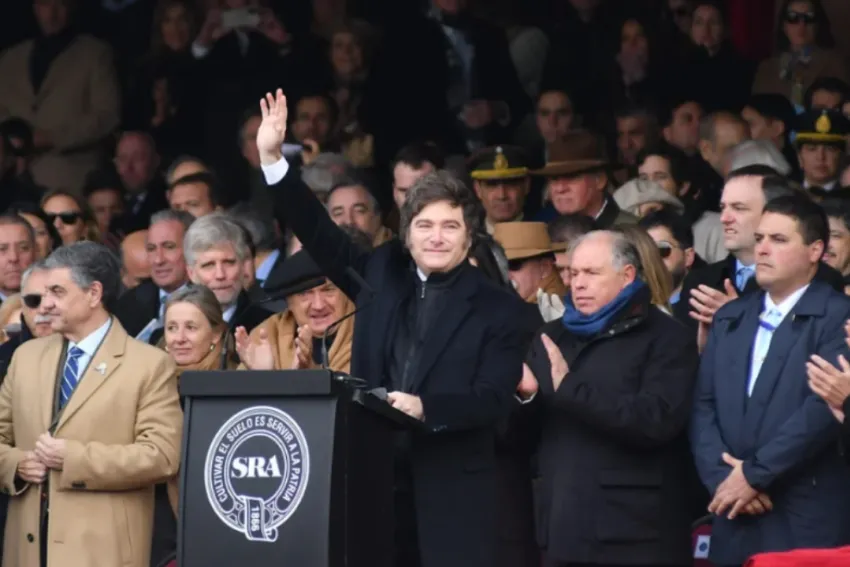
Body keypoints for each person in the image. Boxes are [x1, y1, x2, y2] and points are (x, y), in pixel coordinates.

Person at [256, 89, 534, 567]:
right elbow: (319, 233)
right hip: (377, 485)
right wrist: (273, 161)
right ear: (407, 233)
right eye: (425, 226)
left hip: (453, 495)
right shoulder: (380, 271)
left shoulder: (500, 308)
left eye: (449, 227)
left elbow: (492, 398)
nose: (436, 237)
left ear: (469, 236)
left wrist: (426, 408)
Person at [518, 230, 698, 567]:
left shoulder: (667, 337)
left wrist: (571, 390)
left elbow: (656, 421)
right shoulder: (550, 336)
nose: (578, 283)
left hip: (635, 534)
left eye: (592, 273)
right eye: (573, 273)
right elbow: (523, 438)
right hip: (561, 529)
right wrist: (526, 397)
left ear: (627, 275)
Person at [0, 241, 182, 567]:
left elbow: (162, 456)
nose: (45, 304)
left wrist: (74, 459)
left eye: (57, 291)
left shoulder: (149, 365)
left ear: (94, 294)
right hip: (28, 551)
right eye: (44, 293)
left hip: (103, 553)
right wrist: (16, 464)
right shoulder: (25, 357)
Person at [691, 195, 850, 566]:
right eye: (760, 238)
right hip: (733, 507)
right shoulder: (730, 316)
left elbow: (822, 410)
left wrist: (752, 475)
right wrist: (723, 477)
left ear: (815, 250)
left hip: (805, 512)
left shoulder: (840, 316)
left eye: (778, 240)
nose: (762, 249)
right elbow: (702, 405)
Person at [235, 250, 355, 372]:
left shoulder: (364, 333)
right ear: (289, 302)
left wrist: (309, 374)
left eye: (328, 290)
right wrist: (265, 376)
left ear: (346, 294)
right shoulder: (267, 334)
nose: (318, 305)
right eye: (305, 293)